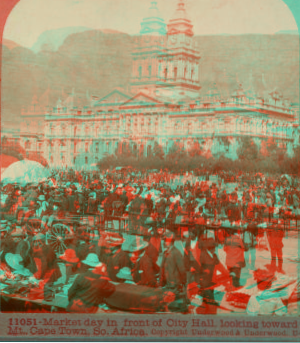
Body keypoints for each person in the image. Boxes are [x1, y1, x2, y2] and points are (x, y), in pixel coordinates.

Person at [159, 230, 187, 311]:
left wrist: (183, 283)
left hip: (174, 285)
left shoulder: (176, 253)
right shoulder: (166, 252)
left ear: (171, 241)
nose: (164, 242)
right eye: (164, 240)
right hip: (166, 284)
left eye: (166, 240)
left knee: (172, 306)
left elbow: (182, 270)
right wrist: (160, 283)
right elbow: (162, 268)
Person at [223, 224, 245, 288]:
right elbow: (243, 247)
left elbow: (224, 249)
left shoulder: (227, 239)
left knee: (231, 273)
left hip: (229, 261)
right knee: (237, 273)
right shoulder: (238, 239)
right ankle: (236, 285)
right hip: (237, 261)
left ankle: (232, 283)